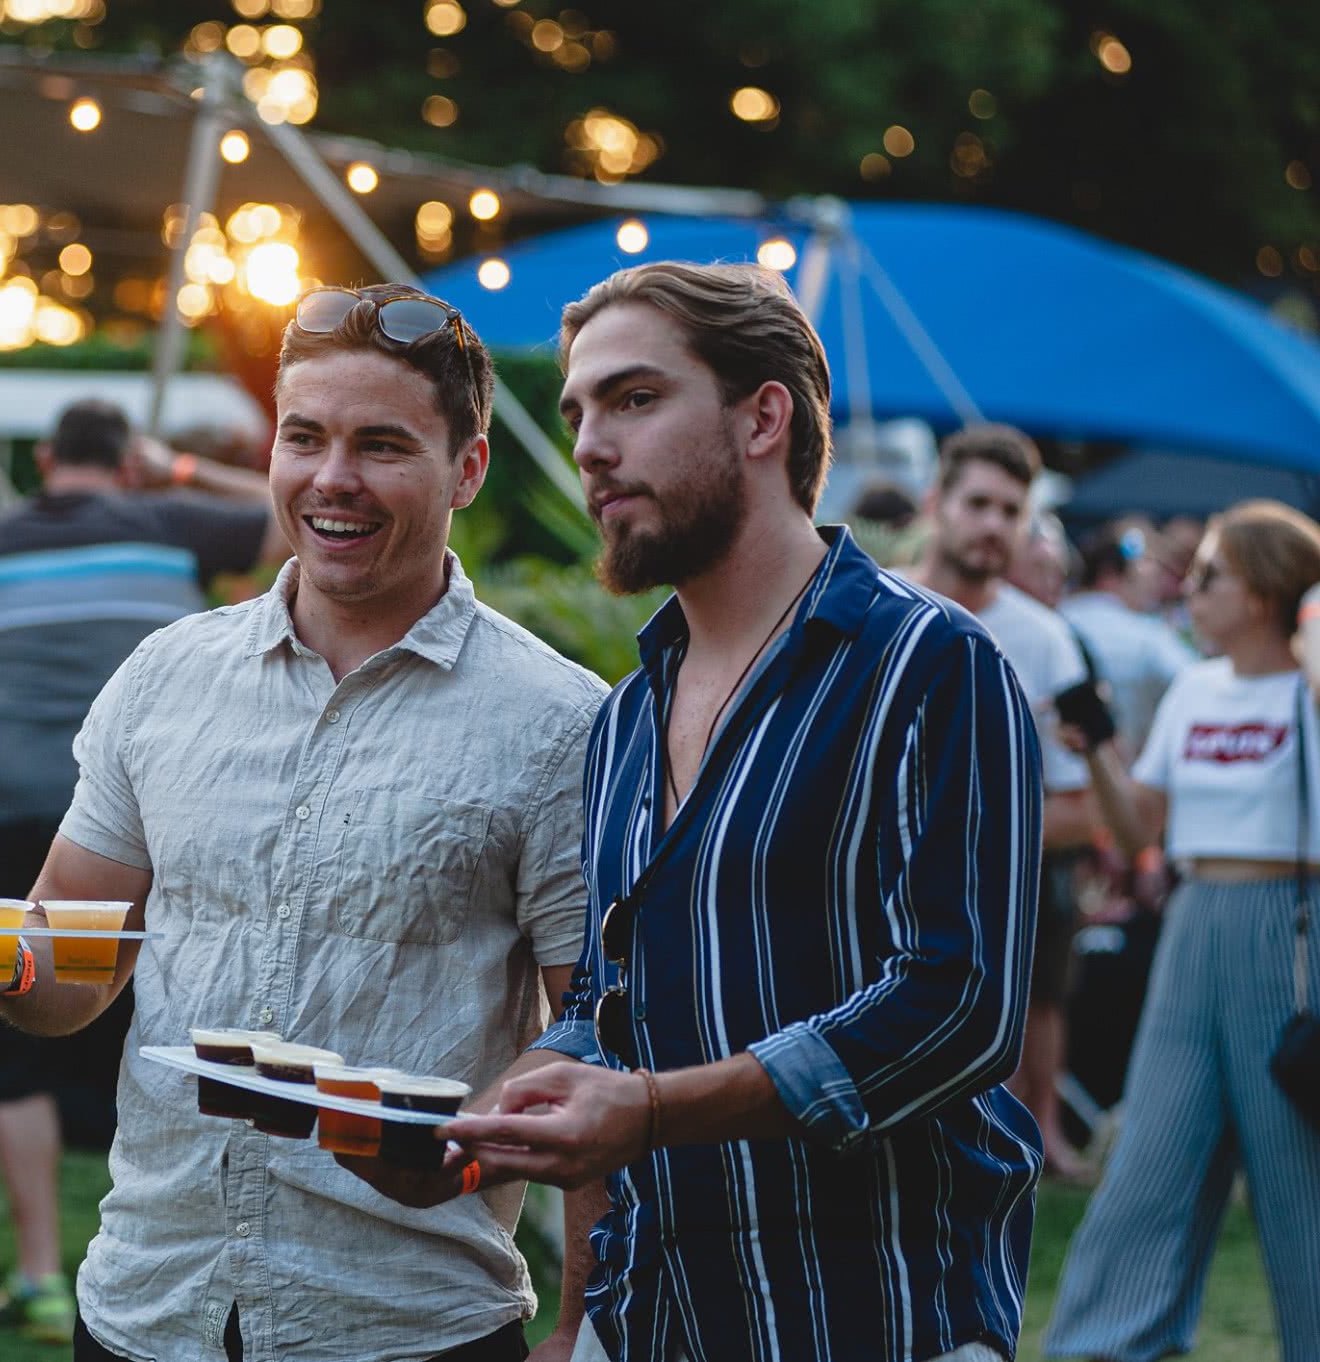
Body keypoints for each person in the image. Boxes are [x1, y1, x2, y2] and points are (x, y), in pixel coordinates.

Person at [0, 284, 609, 1362]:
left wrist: (584, 1326)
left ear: (465, 469)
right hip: (150, 1304)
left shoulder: (557, 724)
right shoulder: (163, 678)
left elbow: (595, 1045)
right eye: (304, 438)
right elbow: (72, 962)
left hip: (404, 1324)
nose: (332, 479)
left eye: (381, 445)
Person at [418, 263, 1042, 1362]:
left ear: (763, 417)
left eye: (633, 399)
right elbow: (615, 1011)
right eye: (577, 412)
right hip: (656, 1318)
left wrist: (657, 1109)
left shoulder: (930, 665)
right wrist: (472, 1129)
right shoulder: (621, 720)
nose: (588, 447)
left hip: (874, 1316)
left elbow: (960, 1005)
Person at [0, 397, 289, 1342]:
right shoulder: (170, 522)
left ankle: (39, 1272)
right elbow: (298, 514)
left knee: (10, 1036)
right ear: (124, 458)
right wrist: (178, 472)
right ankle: (170, 1257)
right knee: (162, 1023)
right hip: (142, 812)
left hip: (9, 804)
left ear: (48, 455)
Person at [1046, 500, 1320, 1362]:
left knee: (1298, 1169)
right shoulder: (1195, 688)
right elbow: (1139, 835)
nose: (1186, 589)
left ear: (1268, 592)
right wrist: (1095, 749)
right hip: (1194, 921)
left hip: (1293, 928)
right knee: (1153, 1150)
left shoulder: (1310, 690)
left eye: (1209, 576)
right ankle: (1104, 1342)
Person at [908, 424, 1101, 1180]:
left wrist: (950, 845)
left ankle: (1030, 1139)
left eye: (1010, 510)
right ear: (936, 503)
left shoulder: (1047, 642)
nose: (994, 525)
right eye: (978, 503)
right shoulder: (865, 601)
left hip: (991, 910)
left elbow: (1079, 809)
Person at [1062, 522, 1195, 757]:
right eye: (1140, 581)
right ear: (1109, 577)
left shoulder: (1052, 621)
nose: (1152, 592)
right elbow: (1193, 680)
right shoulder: (1149, 635)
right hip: (1121, 776)